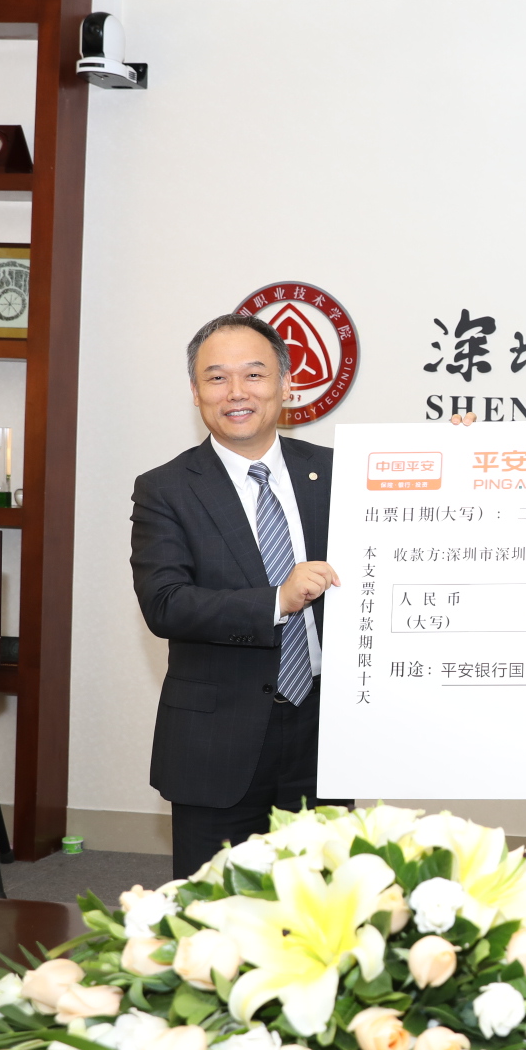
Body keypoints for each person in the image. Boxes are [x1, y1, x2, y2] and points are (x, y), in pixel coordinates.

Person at [131, 314, 348, 878]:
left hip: (324, 731)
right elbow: (165, 603)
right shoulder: (165, 489)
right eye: (216, 378)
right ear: (195, 391)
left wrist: (458, 455)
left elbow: (409, 538)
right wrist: (277, 600)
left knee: (325, 902)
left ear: (286, 383)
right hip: (217, 740)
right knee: (214, 909)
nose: (236, 393)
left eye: (253, 374)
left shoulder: (336, 472)